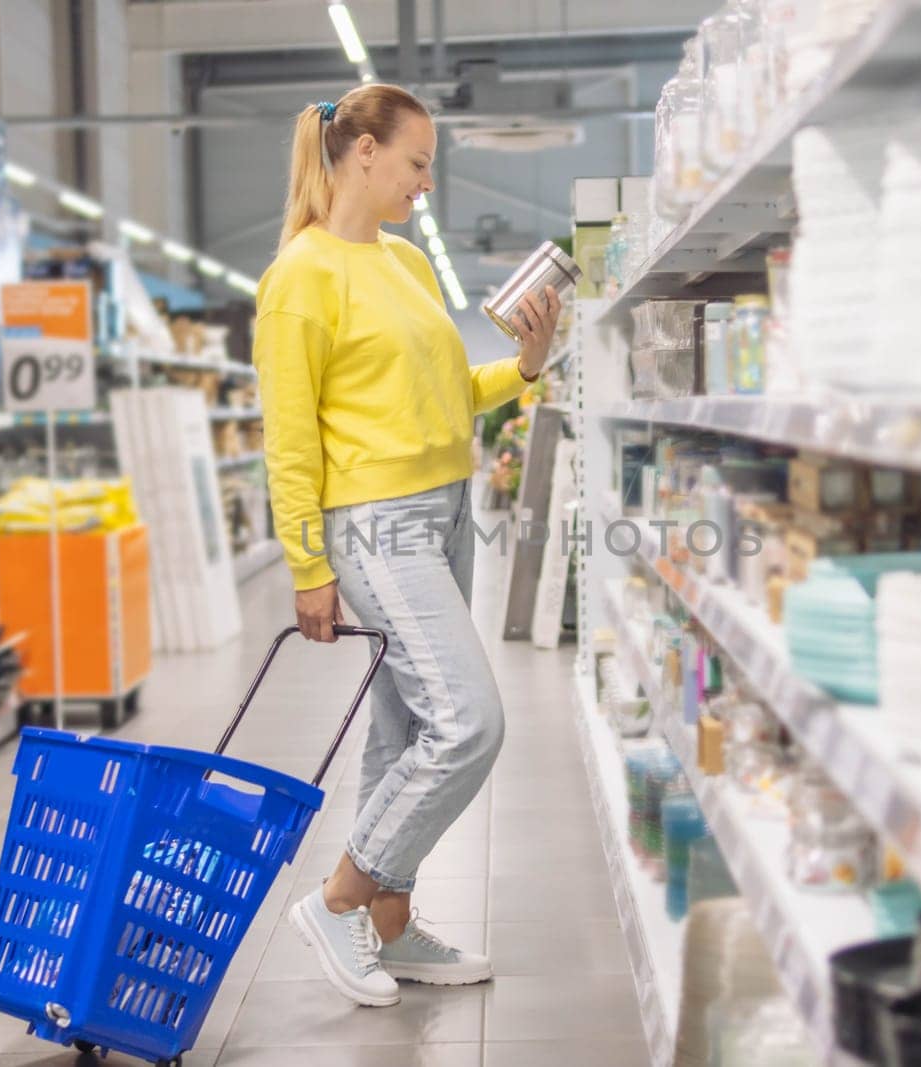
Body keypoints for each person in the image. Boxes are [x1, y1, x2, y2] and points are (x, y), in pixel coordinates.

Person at [253, 84, 562, 1007]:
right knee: (471, 720)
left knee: (401, 731)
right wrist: (309, 567)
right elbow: (290, 440)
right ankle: (342, 896)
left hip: (445, 510)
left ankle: (391, 928)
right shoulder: (299, 278)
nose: (426, 184)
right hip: (375, 524)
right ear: (362, 153)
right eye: (417, 163)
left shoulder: (408, 266)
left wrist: (531, 365)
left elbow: (449, 392)